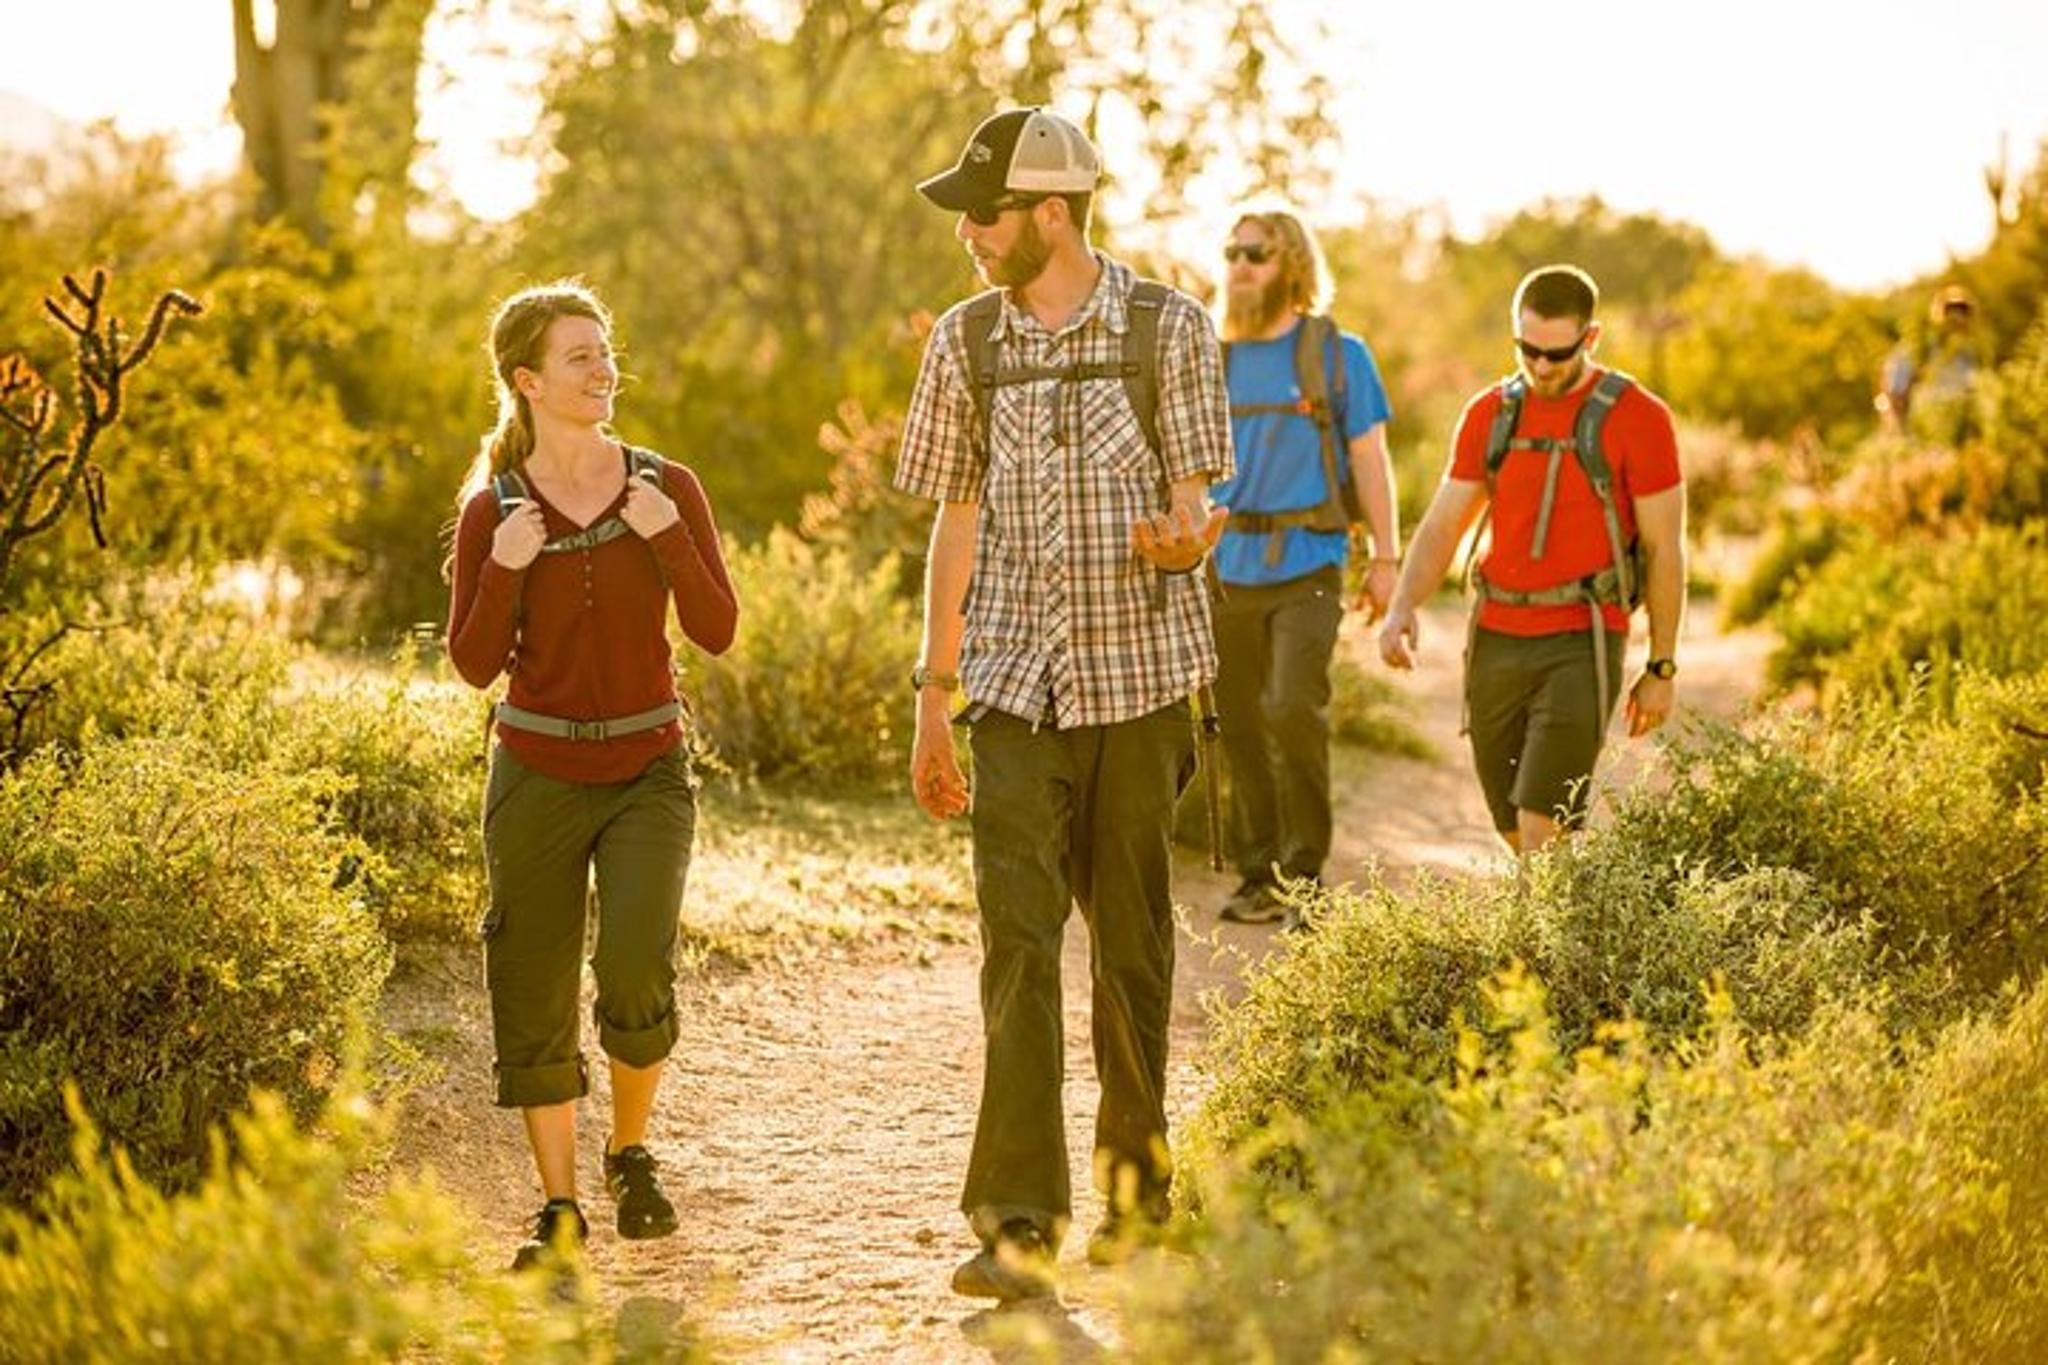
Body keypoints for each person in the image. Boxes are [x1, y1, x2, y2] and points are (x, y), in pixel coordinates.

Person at [894, 106, 1233, 1301]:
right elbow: (954, 518)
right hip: (1007, 694)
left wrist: (1183, 544)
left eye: (981, 215)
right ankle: (1018, 1222)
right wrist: (933, 697)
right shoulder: (964, 343)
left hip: (1139, 694)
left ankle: (1138, 1207)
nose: (967, 236)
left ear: (1050, 212)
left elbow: (1196, 507)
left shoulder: (1168, 330)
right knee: (1017, 949)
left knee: (1131, 953)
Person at [445, 281, 738, 1272]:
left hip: (646, 767)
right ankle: (558, 1208)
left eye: (605, 349)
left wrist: (662, 535)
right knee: (529, 987)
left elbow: (717, 630)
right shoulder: (495, 510)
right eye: (578, 355)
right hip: (532, 772)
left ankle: (631, 1152)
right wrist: (503, 567)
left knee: (633, 966)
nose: (602, 367)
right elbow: (474, 662)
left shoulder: (668, 486)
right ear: (527, 380)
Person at [1378, 264, 1684, 858]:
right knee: (1514, 826)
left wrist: (1661, 666)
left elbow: (1664, 549)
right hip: (1496, 634)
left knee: (1543, 821)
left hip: (1583, 637)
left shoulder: (1640, 418)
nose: (1541, 367)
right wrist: (1401, 607)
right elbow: (1445, 521)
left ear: (1590, 338)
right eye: (1528, 350)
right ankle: (1566, 928)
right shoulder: (1490, 413)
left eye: (1558, 353)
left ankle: (1540, 951)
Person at [1209, 207, 1400, 926]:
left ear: (1291, 263)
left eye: (1255, 252)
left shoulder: (1336, 353)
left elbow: (1370, 461)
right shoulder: (1211, 355)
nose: (1239, 265)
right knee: (1240, 722)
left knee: (1292, 706)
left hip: (1310, 561)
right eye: (1230, 251)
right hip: (1226, 568)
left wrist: (1386, 558)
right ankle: (1260, 875)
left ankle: (1306, 877)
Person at [1875, 283, 1984, 439]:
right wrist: (1902, 433)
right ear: (1939, 315)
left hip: (1960, 432)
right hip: (1923, 433)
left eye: (1963, 313)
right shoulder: (1917, 351)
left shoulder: (1970, 354)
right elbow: (1895, 394)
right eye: (1951, 312)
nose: (1958, 319)